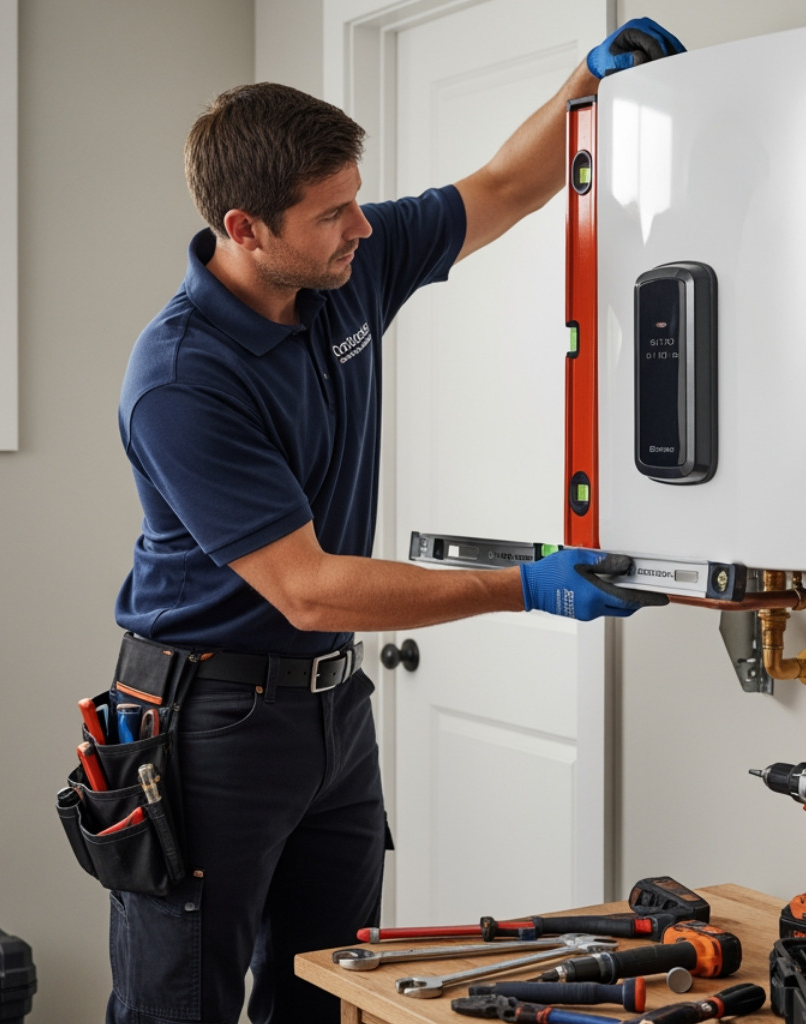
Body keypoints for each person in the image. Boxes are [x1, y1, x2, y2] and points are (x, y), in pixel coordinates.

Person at [109, 18, 685, 1024]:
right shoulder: (183, 378)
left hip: (332, 709)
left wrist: (586, 85)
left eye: (356, 199)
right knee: (179, 1007)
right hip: (212, 721)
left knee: (331, 990)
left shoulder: (342, 273)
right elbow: (308, 587)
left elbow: (502, 186)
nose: (362, 228)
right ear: (246, 228)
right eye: (333, 213)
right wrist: (526, 586)